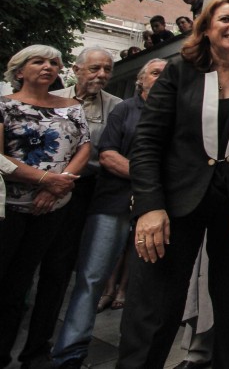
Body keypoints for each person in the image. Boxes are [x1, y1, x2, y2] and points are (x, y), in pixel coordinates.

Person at [116, 0, 229, 369]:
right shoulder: (178, 71)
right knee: (156, 306)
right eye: (225, 18)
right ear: (206, 28)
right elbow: (147, 144)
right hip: (174, 203)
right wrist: (149, 206)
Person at [51, 59, 167, 368]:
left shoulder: (179, 114)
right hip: (113, 203)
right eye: (156, 73)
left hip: (159, 209)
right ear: (141, 81)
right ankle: (70, 352)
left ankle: (136, 357)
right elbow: (107, 155)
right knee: (92, 278)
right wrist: (151, 177)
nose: (163, 78)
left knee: (149, 287)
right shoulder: (124, 110)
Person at [17, 48, 121, 367]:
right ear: (76, 69)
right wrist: (47, 183)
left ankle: (39, 348)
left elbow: (99, 152)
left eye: (106, 69)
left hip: (82, 191)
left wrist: (62, 184)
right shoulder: (51, 98)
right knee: (21, 269)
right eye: (94, 68)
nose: (100, 75)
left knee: (59, 271)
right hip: (32, 188)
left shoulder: (116, 107)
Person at [0, 45, 90, 368]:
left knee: (25, 282)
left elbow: (84, 148)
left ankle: (32, 353)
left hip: (52, 207)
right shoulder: (4, 106)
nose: (48, 66)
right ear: (20, 71)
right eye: (38, 61)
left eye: (54, 62)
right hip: (8, 207)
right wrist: (44, 179)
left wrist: (58, 185)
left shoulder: (72, 108)